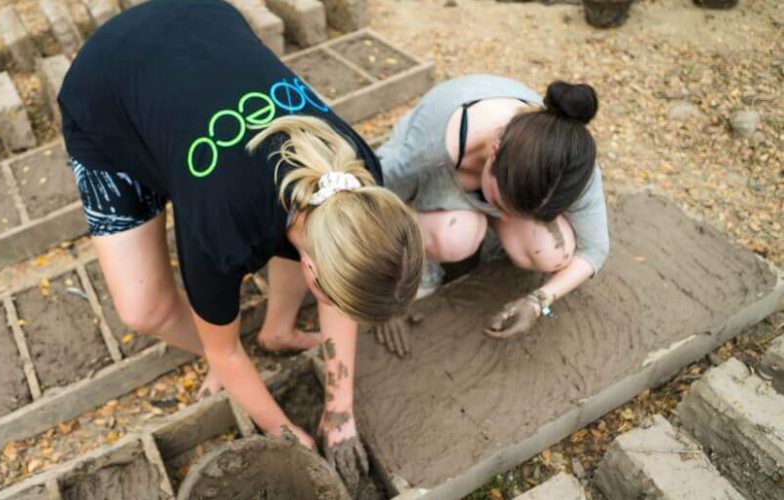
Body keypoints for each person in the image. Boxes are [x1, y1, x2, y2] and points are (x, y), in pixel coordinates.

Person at [57, 0, 424, 489]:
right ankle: (238, 345)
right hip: (108, 89)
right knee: (145, 309)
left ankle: (277, 332)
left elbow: (337, 271)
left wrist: (340, 412)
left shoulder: (359, 183)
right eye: (330, 293)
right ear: (314, 271)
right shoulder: (220, 226)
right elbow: (226, 351)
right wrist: (283, 430)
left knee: (277, 236)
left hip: (202, 27)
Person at [373, 74, 609, 354]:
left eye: (517, 213)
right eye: (498, 203)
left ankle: (486, 236)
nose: (507, 218)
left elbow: (595, 250)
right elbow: (366, 206)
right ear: (495, 151)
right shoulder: (426, 150)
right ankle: (431, 253)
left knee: (552, 251)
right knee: (452, 235)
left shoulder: (569, 163)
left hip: (498, 176)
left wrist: (539, 301)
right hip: (438, 183)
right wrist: (386, 294)